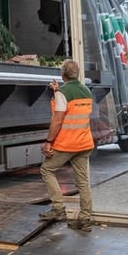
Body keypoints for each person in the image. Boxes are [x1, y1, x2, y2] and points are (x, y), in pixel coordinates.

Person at [39, 59, 95, 231]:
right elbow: (74, 110)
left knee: (47, 170)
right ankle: (85, 218)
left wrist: (49, 142)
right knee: (83, 182)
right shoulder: (86, 91)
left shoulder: (63, 93)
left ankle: (58, 208)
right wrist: (58, 91)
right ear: (76, 74)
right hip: (84, 143)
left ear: (63, 74)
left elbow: (57, 120)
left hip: (66, 144)